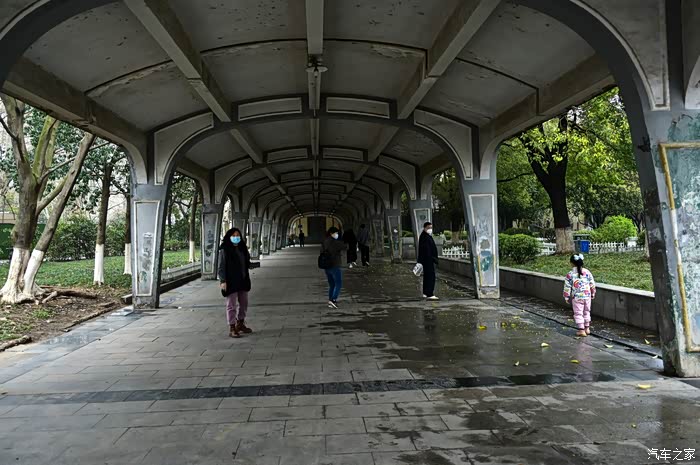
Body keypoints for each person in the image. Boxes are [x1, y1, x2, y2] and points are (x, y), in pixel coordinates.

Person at [218, 227, 253, 338]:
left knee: (244, 303)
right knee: (231, 305)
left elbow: (246, 262)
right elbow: (221, 266)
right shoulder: (224, 249)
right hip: (231, 281)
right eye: (233, 236)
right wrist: (223, 281)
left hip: (243, 280)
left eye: (238, 236)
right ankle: (232, 327)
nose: (236, 237)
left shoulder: (242, 248)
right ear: (229, 237)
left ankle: (240, 323)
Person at [563, 253, 596, 337]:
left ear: (571, 263)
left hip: (577, 297)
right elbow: (592, 284)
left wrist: (566, 296)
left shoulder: (570, 274)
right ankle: (587, 328)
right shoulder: (587, 272)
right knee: (587, 311)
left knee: (578, 313)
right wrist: (593, 293)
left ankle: (581, 330)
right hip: (587, 296)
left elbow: (567, 286)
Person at [321, 226, 348, 308]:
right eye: (336, 233)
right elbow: (345, 247)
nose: (337, 235)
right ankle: (333, 300)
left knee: (332, 284)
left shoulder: (324, 241)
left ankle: (330, 301)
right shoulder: (335, 242)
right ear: (331, 233)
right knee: (338, 283)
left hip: (326, 265)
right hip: (335, 265)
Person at [418, 221, 439, 300]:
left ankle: (425, 292)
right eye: (428, 228)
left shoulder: (425, 236)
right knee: (430, 277)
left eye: (431, 228)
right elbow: (426, 250)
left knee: (427, 277)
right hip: (428, 260)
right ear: (424, 228)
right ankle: (430, 293)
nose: (430, 229)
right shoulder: (425, 237)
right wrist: (432, 259)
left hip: (427, 260)